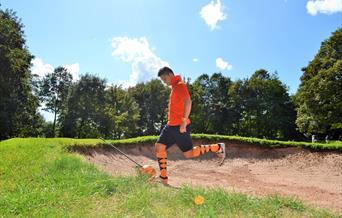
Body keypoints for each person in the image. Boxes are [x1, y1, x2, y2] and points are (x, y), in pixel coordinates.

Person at [154, 66, 226, 185]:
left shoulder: (180, 85)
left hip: (180, 126)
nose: (164, 82)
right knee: (159, 146)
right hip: (170, 125)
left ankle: (217, 147)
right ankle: (163, 178)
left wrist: (183, 121)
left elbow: (188, 102)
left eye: (165, 79)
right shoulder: (174, 87)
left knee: (189, 153)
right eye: (162, 80)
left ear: (170, 75)